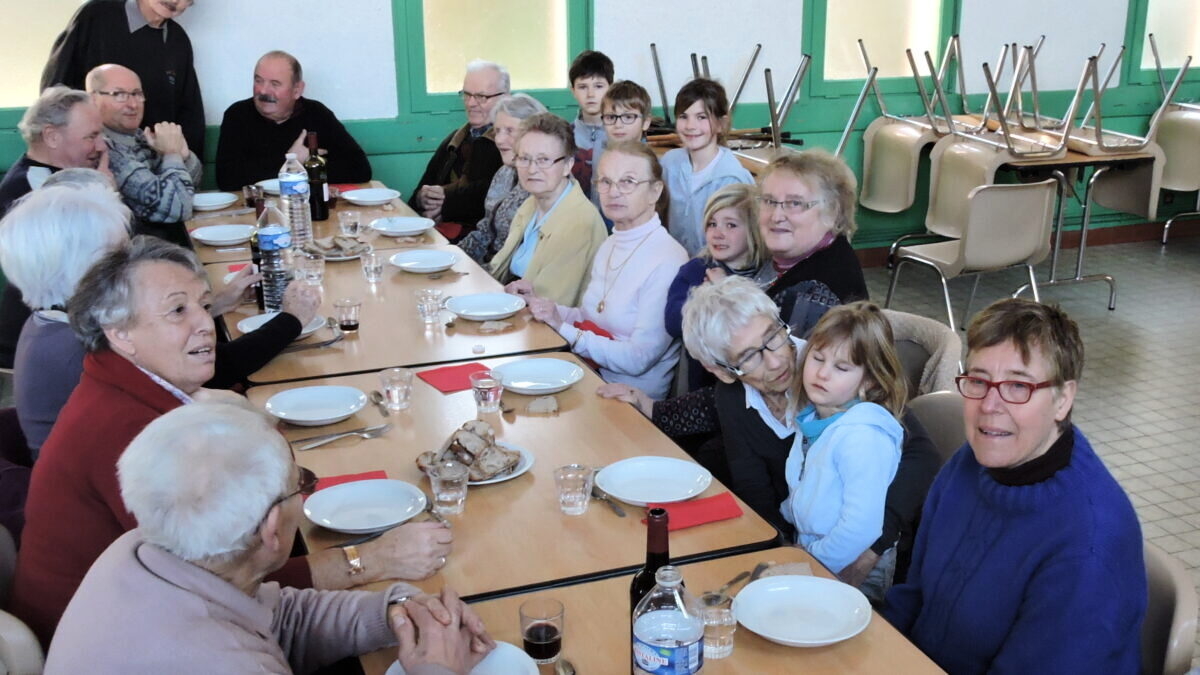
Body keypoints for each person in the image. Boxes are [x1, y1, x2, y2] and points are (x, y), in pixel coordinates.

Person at [9, 237, 452, 647]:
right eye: (178, 311)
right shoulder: (126, 430)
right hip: (111, 646)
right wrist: (369, 561)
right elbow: (221, 580)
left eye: (204, 305)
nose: (205, 324)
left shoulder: (126, 386)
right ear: (119, 332)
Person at [45, 402, 494, 674]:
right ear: (271, 529)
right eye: (302, 483)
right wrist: (438, 670)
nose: (306, 495)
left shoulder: (139, 553)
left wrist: (395, 610)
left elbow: (280, 618)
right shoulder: (219, 662)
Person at [600, 277, 939, 589]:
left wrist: (871, 550)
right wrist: (784, 556)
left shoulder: (834, 371)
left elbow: (923, 456)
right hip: (804, 547)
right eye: (749, 357)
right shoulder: (732, 399)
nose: (776, 361)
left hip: (868, 549)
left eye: (774, 337)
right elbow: (755, 488)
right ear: (721, 370)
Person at [883, 298, 1146, 673]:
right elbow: (913, 597)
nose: (990, 405)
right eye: (978, 380)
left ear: (1063, 399)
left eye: (1018, 386)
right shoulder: (972, 462)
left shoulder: (1088, 547)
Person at [0, 182, 313, 454]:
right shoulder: (84, 348)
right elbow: (217, 368)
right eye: (119, 255)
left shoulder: (49, 322)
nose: (133, 261)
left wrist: (211, 305)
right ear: (84, 267)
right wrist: (291, 320)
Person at [525, 142, 686, 399]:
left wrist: (566, 330)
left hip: (630, 400)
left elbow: (638, 359)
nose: (613, 192)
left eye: (628, 182)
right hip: (588, 375)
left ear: (655, 191)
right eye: (606, 182)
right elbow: (589, 316)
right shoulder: (611, 242)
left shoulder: (668, 260)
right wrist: (543, 308)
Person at [781, 302, 907, 602]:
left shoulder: (863, 437)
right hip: (814, 552)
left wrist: (811, 562)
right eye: (817, 358)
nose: (822, 373)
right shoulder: (814, 420)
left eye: (841, 367)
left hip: (846, 563)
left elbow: (860, 528)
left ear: (869, 380)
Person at [0, 87, 107, 368]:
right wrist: (106, 194)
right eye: (91, 136)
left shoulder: (66, 178)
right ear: (51, 136)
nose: (101, 146)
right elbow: (93, 268)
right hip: (45, 346)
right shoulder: (30, 190)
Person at [40, 0, 205, 157]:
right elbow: (56, 85)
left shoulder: (178, 41)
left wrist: (187, 163)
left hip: (151, 161)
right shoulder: (97, 14)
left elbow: (189, 111)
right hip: (92, 153)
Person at [491, 113, 607, 306]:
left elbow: (551, 305)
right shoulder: (530, 204)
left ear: (567, 165)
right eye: (525, 159)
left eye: (544, 160)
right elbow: (499, 269)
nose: (532, 169)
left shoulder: (580, 223)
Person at [215, 50, 372, 190]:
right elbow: (227, 179)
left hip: (305, 208)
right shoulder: (237, 115)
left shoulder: (317, 114)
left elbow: (360, 169)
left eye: (274, 84)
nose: (263, 90)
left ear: (297, 90)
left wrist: (307, 163)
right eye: (258, 81)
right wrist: (292, 161)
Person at [664, 183, 765, 390]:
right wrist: (706, 296)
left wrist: (726, 291)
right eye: (712, 224)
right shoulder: (695, 270)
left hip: (751, 386)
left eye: (731, 225)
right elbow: (673, 323)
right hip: (702, 386)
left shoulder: (766, 275)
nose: (718, 234)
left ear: (753, 230)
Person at [753, 149, 868, 332]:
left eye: (795, 203)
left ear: (832, 212)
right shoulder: (801, 256)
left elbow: (775, 359)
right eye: (769, 201)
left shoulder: (814, 296)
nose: (776, 216)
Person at [86, 64, 200, 246]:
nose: (133, 104)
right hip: (139, 258)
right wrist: (171, 154)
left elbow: (189, 185)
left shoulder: (137, 136)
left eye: (137, 94)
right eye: (119, 94)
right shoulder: (106, 149)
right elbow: (179, 206)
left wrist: (184, 156)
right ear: (93, 99)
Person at [409, 60, 508, 236]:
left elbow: (497, 196)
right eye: (467, 94)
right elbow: (420, 190)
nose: (470, 103)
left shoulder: (512, 143)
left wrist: (445, 202)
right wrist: (423, 198)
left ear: (505, 97)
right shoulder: (455, 139)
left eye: (481, 96)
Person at [660, 78, 753, 257]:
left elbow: (744, 245)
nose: (690, 126)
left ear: (720, 124)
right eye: (683, 117)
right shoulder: (669, 164)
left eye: (701, 117)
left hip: (716, 271)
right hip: (673, 263)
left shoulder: (733, 179)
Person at [458, 93, 547, 264]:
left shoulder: (543, 183)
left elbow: (526, 257)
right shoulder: (504, 173)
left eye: (509, 131)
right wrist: (453, 258)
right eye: (497, 130)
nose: (499, 140)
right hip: (489, 267)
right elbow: (484, 232)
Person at [566, 50, 613, 202]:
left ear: (610, 88)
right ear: (573, 90)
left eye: (598, 86)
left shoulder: (621, 135)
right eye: (582, 87)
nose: (591, 94)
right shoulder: (564, 136)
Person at [601, 80, 653, 145]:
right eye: (611, 117)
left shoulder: (647, 155)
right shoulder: (601, 153)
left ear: (646, 122)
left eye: (628, 117)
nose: (618, 125)